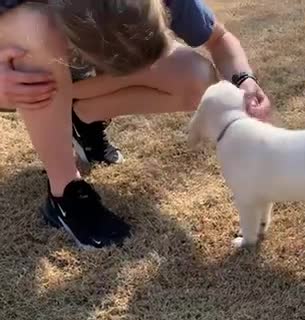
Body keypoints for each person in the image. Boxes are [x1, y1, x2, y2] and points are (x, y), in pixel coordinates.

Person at [0, 0, 272, 249]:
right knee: (33, 27)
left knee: (196, 75)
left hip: (76, 81)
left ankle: (81, 117)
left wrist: (244, 81)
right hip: (19, 74)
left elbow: (221, 39)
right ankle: (65, 194)